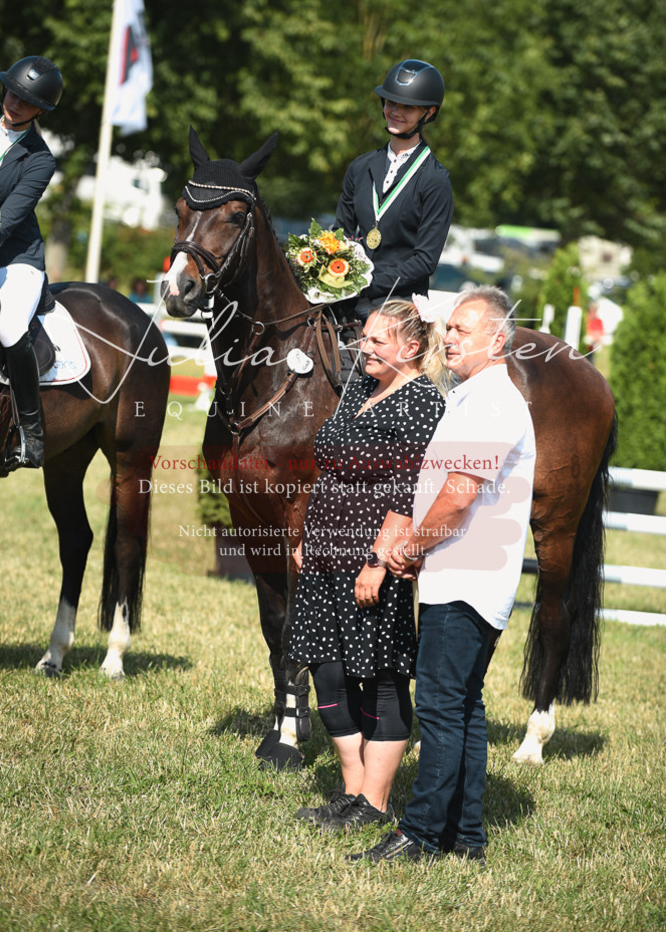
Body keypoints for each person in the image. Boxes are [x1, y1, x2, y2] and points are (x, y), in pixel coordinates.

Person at [349, 286, 536, 865]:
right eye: (448, 327)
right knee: (463, 707)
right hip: (458, 574)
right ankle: (466, 836)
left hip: (467, 580)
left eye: (462, 329)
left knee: (438, 707)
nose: (448, 337)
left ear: (496, 339)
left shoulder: (494, 404)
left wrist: (407, 549)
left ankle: (423, 834)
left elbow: (458, 498)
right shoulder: (469, 397)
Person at [289, 298, 447, 831]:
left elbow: (408, 491)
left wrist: (378, 561)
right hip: (326, 551)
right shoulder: (360, 387)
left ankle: (374, 804)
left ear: (414, 347)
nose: (365, 347)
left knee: (379, 677)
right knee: (327, 669)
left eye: (379, 340)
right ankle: (352, 792)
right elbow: (329, 464)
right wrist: (308, 534)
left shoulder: (422, 401)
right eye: (366, 337)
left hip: (371, 553)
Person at [0, 55, 63, 469]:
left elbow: (7, 222)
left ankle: (32, 431)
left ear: (40, 110)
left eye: (27, 100)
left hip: (13, 258)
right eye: (13, 92)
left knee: (12, 330)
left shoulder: (40, 159)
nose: (15, 103)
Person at [334, 59, 454, 322]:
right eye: (391, 102)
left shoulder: (435, 180)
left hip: (398, 304)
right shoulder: (360, 167)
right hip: (346, 297)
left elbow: (424, 260)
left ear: (429, 113)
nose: (396, 111)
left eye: (408, 107)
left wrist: (366, 283)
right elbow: (339, 231)